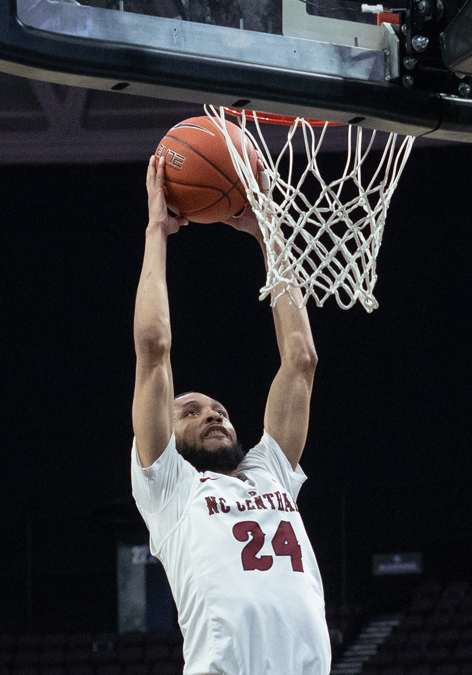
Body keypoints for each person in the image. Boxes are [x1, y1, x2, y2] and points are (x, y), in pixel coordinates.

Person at [130, 153, 328, 674]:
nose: (212, 415)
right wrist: (157, 231)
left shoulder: (271, 471)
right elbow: (153, 347)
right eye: (190, 412)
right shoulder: (169, 488)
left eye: (217, 410)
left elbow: (301, 361)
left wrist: (269, 235)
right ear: (165, 440)